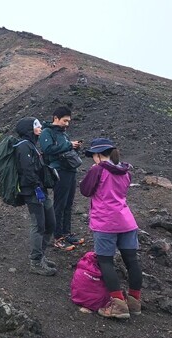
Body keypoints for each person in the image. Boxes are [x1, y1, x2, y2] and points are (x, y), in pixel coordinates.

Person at [79, 138, 142, 319]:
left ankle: (118, 304)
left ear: (99, 155)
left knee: (106, 261)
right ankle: (134, 301)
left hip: (105, 222)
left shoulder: (98, 170)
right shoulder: (125, 170)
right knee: (132, 261)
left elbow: (85, 190)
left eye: (93, 156)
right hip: (127, 221)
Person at [15, 117, 57, 276]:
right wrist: (37, 187)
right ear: (28, 129)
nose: (39, 127)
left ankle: (41, 255)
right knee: (38, 225)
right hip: (32, 192)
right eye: (36, 125)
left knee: (50, 223)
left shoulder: (31, 145)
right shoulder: (24, 146)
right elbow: (27, 170)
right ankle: (36, 261)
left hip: (40, 190)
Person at [40, 106, 84, 250]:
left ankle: (67, 233)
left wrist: (74, 147)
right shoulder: (47, 132)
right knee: (59, 204)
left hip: (70, 170)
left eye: (68, 121)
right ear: (55, 118)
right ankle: (57, 237)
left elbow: (64, 148)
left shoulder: (63, 133)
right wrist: (68, 145)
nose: (67, 124)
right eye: (64, 121)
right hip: (59, 171)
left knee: (68, 203)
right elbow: (47, 149)